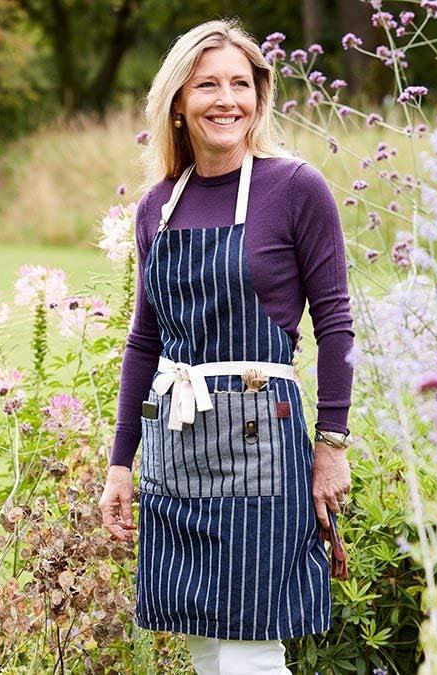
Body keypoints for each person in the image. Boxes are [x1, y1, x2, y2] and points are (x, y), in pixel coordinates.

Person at [96, 19, 355, 674]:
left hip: (260, 444)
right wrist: (121, 462)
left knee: (250, 646)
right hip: (174, 450)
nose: (227, 99)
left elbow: (335, 322)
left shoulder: (296, 188)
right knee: (207, 646)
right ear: (178, 101)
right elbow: (144, 340)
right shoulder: (157, 205)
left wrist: (331, 445)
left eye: (241, 84)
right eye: (208, 84)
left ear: (260, 96)